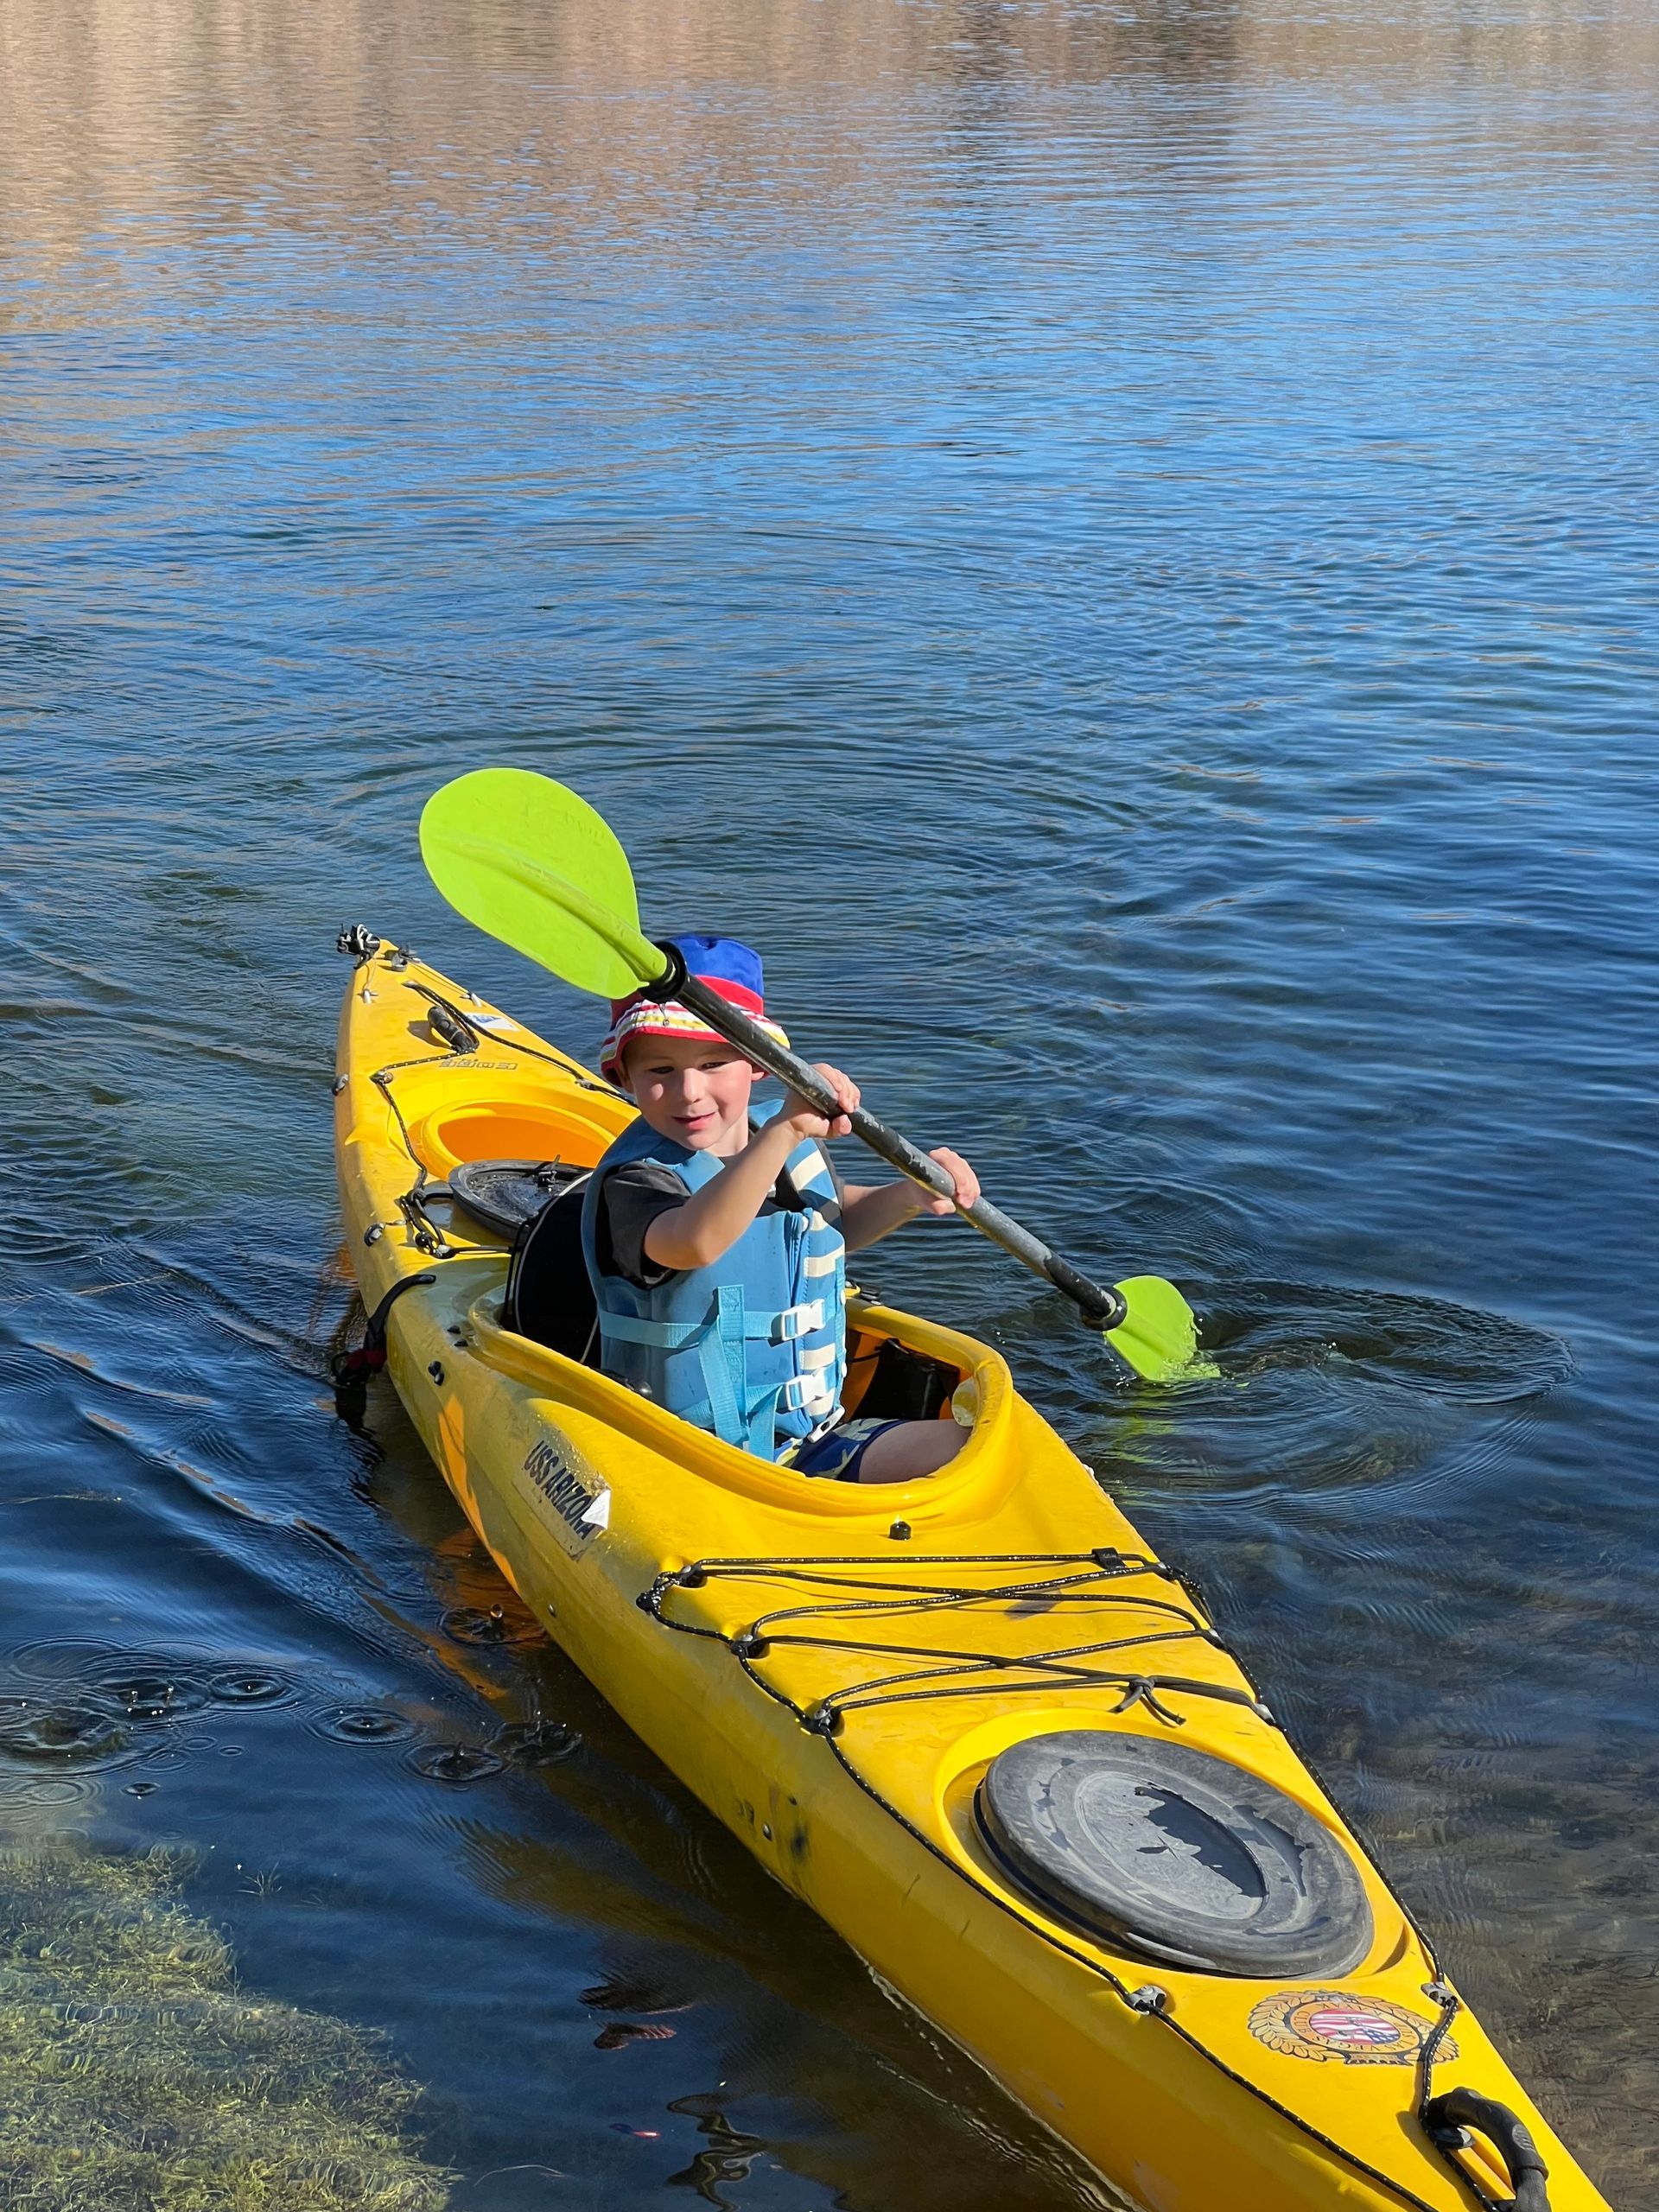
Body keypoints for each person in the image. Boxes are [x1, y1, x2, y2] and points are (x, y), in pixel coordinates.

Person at [579, 936, 980, 1484]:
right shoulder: (638, 1180)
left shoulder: (778, 1143)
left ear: (757, 1067)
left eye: (715, 1062)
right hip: (682, 1452)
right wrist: (785, 1130)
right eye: (660, 1071)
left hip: (812, 1439)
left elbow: (835, 1222)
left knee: (971, 1448)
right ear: (623, 1078)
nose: (689, 1092)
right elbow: (695, 1242)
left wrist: (908, 1195)